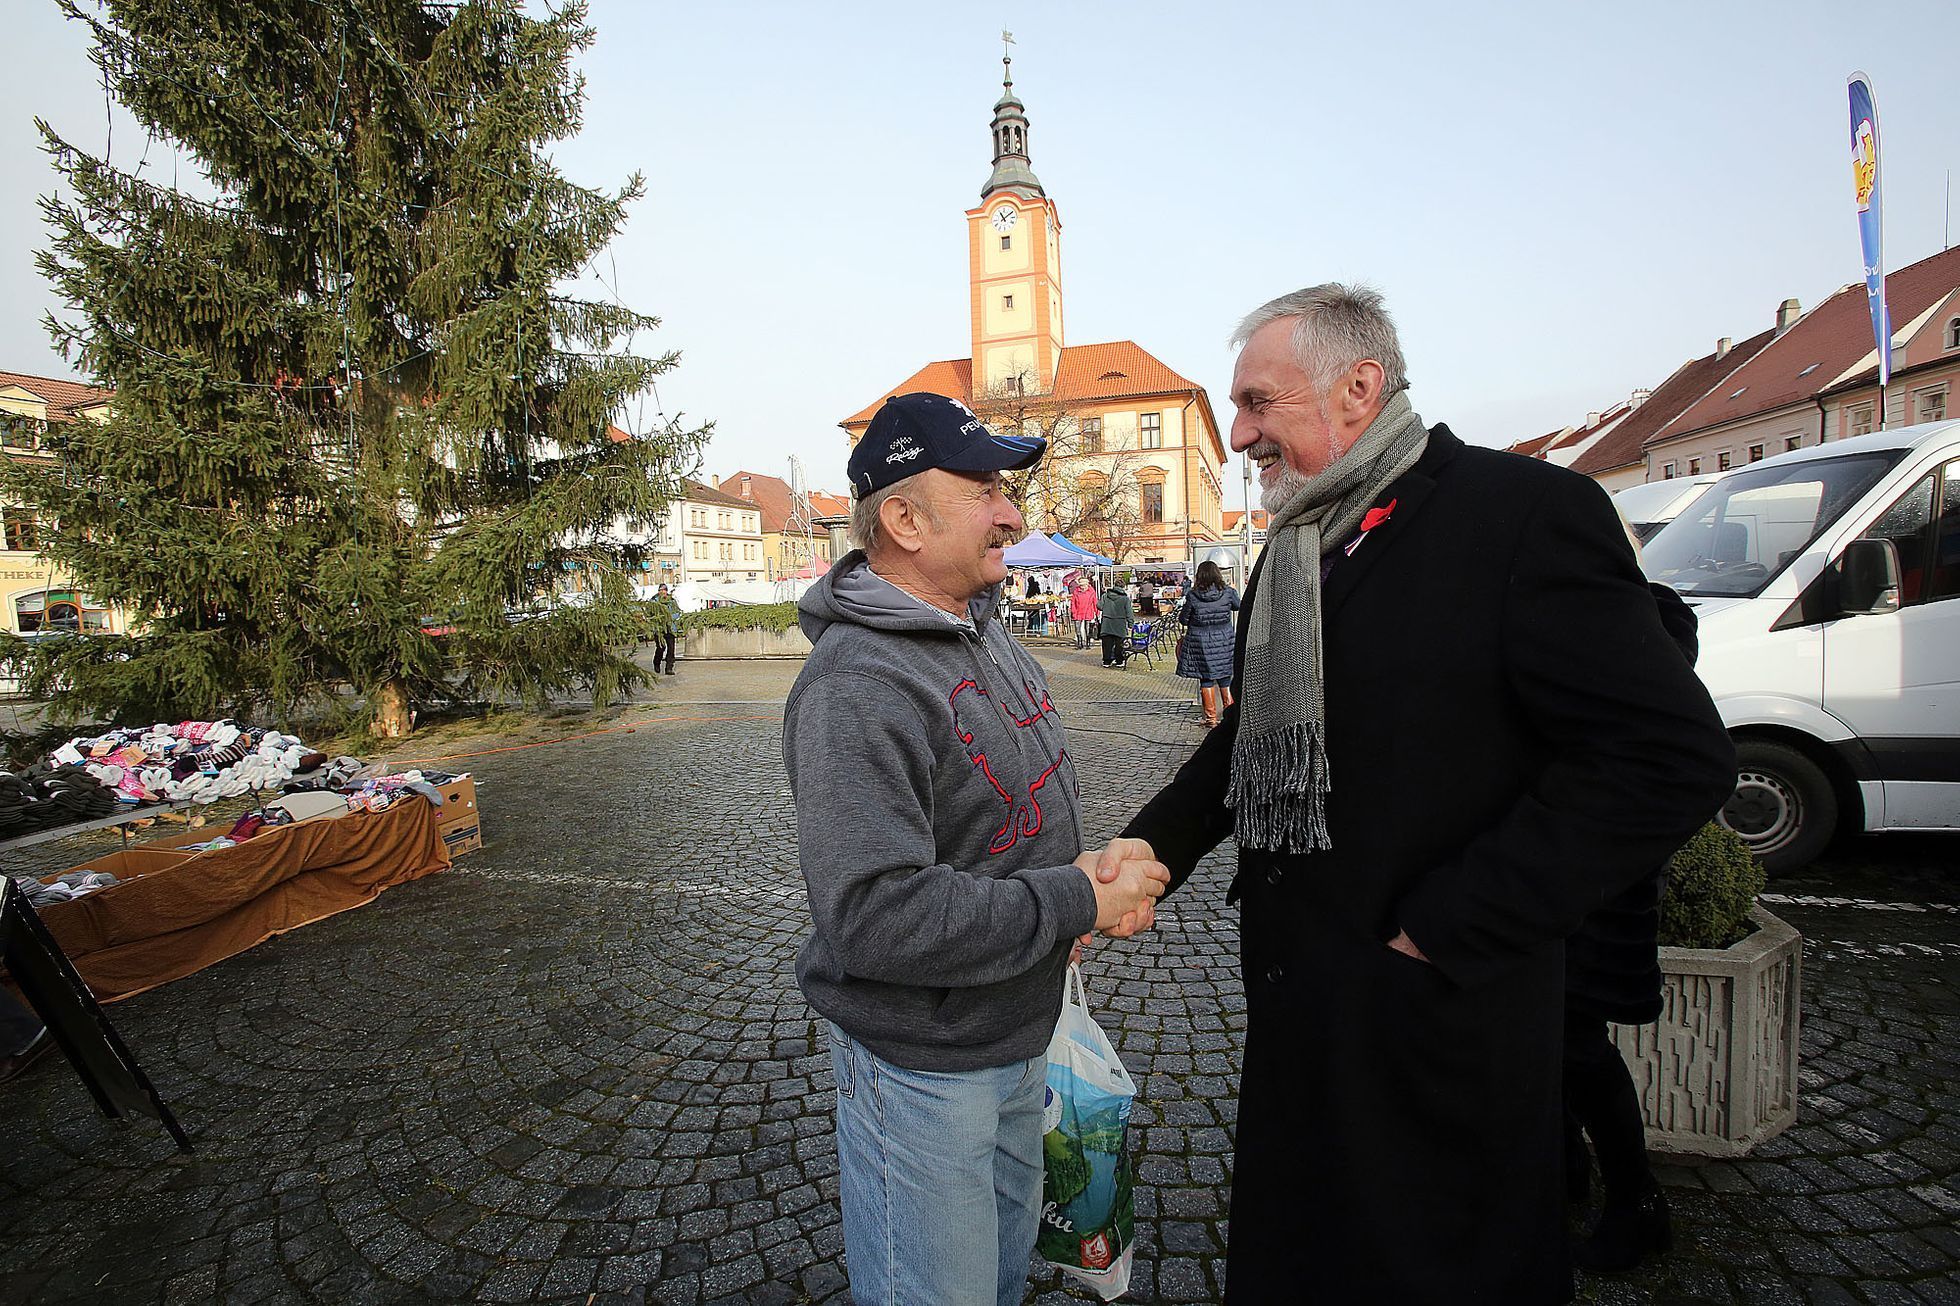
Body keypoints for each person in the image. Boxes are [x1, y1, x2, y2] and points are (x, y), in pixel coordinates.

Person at [1101, 285, 1735, 1302]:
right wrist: (1153, 848)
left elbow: (1667, 756)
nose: (1237, 433)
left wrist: (1446, 926)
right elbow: (1249, 747)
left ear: (1357, 387)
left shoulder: (1519, 515)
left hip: (1444, 1010)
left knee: (1438, 1265)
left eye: (1258, 402)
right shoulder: (1297, 546)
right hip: (1304, 1006)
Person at [784, 391, 1170, 1306]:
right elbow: (876, 919)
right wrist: (1072, 902)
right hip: (927, 1071)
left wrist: (1077, 884)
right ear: (905, 520)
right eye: (983, 488)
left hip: (1014, 1032)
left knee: (995, 1282)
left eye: (1007, 488)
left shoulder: (982, 630)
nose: (1012, 512)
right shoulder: (858, 684)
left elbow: (1005, 824)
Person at [1562, 560, 1703, 1273]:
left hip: (1599, 873)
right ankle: (1564, 1175)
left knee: (1576, 1043)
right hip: (1563, 863)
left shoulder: (1645, 617)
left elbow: (1651, 751)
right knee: (1552, 1036)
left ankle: (1636, 1201)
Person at [1175, 559, 1239, 727]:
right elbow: (1237, 606)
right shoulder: (1227, 592)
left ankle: (1211, 718)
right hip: (1224, 641)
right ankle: (1229, 717)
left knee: (1206, 679)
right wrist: (1233, 590)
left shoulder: (1193, 595)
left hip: (1200, 643)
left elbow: (1183, 620)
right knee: (1225, 677)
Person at [1098, 579, 1133, 668]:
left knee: (1107, 644)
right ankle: (1119, 661)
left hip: (1107, 622)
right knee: (1119, 644)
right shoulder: (1125, 599)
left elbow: (1100, 606)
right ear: (1123, 587)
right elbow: (1129, 612)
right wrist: (1130, 624)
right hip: (1120, 623)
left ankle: (1106, 661)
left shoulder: (1105, 596)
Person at [648, 584, 680, 675]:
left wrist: (669, 618)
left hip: (670, 627)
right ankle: (656, 662)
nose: (663, 592)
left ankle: (669, 668)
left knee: (671, 648)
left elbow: (677, 612)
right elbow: (650, 614)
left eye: (664, 590)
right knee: (661, 647)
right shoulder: (654, 601)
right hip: (659, 628)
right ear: (658, 591)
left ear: (667, 591)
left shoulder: (672, 601)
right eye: (661, 590)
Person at [1069, 576, 1099, 649]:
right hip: (1078, 612)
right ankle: (1080, 643)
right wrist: (1073, 611)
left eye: (1084, 585)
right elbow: (1073, 602)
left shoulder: (1091, 591)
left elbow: (1095, 602)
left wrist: (1097, 612)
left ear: (1087, 584)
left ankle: (1088, 643)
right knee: (1077, 628)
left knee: (1088, 629)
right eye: (1081, 585)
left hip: (1088, 611)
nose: (1082, 587)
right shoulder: (1076, 591)